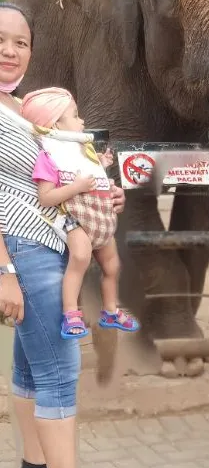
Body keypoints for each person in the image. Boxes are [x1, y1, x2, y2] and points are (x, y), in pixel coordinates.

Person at [0, 0, 128, 468]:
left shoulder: (17, 107)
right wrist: (3, 269)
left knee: (32, 365)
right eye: (0, 39)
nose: (10, 50)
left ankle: (37, 464)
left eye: (20, 42)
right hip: (23, 249)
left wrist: (101, 197)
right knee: (58, 371)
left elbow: (47, 178)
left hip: (46, 240)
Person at [20, 87, 140, 339]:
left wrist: (102, 164)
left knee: (112, 265)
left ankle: (110, 309)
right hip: (77, 221)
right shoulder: (48, 156)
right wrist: (76, 187)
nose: (82, 121)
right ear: (54, 123)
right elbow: (46, 196)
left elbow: (93, 174)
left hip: (103, 220)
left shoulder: (82, 151)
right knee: (80, 260)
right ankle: (71, 312)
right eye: (75, 116)